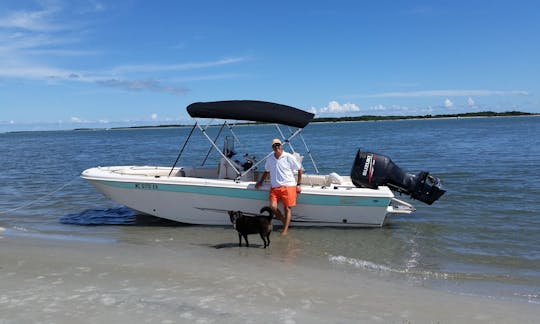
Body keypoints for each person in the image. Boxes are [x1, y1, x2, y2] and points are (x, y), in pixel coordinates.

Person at [255, 138, 302, 235]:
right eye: (274, 145)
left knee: (287, 209)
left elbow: (299, 169)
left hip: (288, 186)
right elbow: (266, 171)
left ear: (281, 146)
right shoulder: (270, 158)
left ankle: (285, 231)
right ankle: (284, 221)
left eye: (278, 145)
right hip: (275, 187)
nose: (277, 147)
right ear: (272, 147)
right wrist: (260, 182)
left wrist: (298, 184)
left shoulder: (288, 156)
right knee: (272, 207)